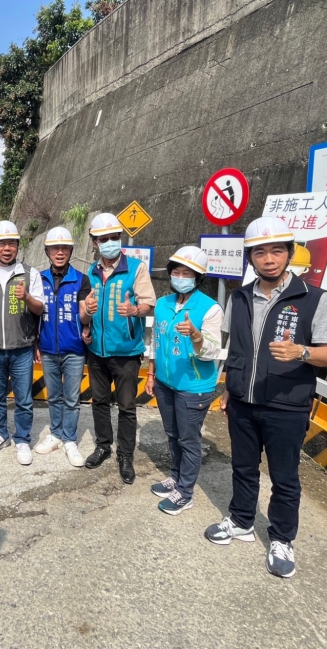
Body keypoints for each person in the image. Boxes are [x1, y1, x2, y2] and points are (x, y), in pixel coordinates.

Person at [204, 216, 327, 580]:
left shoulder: (314, 299)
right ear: (250, 258)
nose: (268, 259)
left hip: (287, 405)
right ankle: (241, 521)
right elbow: (236, 350)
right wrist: (229, 389)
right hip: (242, 402)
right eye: (260, 252)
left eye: (277, 251)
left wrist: (302, 352)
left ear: (289, 254)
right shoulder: (240, 297)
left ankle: (281, 538)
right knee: (243, 467)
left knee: (284, 477)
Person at [145, 246, 223, 515]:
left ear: (198, 278)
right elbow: (155, 342)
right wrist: (151, 374)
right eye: (176, 272)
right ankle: (176, 477)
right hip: (165, 383)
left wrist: (197, 336)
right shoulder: (163, 304)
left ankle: (185, 492)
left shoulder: (210, 308)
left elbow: (212, 351)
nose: (180, 277)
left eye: (187, 273)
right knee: (172, 434)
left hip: (194, 386)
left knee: (188, 440)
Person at [82, 212, 156, 484]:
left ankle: (125, 455)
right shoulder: (90, 272)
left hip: (126, 352)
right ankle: (103, 446)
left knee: (126, 406)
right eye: (104, 239)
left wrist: (134, 310)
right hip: (96, 351)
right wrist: (87, 320)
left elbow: (149, 303)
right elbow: (85, 312)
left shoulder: (136, 268)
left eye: (114, 237)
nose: (110, 242)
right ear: (95, 242)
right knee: (99, 401)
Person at [0, 221, 45, 466]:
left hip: (22, 349)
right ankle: (0, 434)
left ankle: (22, 438)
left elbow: (40, 308)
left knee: (23, 399)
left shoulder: (30, 274)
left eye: (11, 244)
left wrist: (26, 297)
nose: (7, 248)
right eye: (1, 244)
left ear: (17, 246)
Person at [33, 227, 92, 467]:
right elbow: (34, 314)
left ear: (70, 251)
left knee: (72, 398)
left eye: (64, 248)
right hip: (47, 348)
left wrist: (88, 315)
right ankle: (56, 434)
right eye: (55, 248)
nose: (60, 252)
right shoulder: (39, 279)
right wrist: (35, 342)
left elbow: (84, 313)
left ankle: (69, 439)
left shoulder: (81, 279)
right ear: (47, 251)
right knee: (54, 396)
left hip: (74, 349)